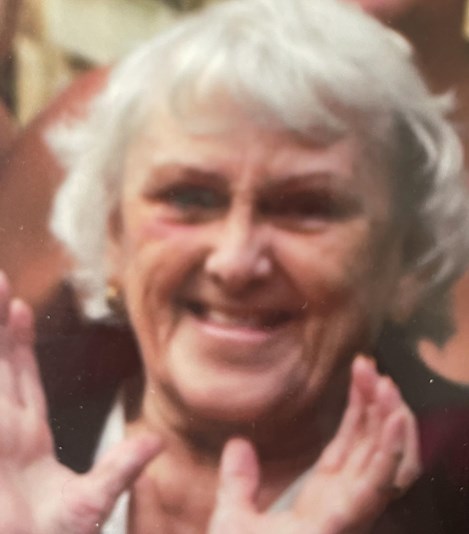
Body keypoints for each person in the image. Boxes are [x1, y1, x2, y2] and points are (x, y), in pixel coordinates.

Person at [0, 0, 467, 531]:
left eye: (306, 207)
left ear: (406, 260)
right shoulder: (19, 458)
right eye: (189, 198)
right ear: (113, 236)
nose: (235, 262)